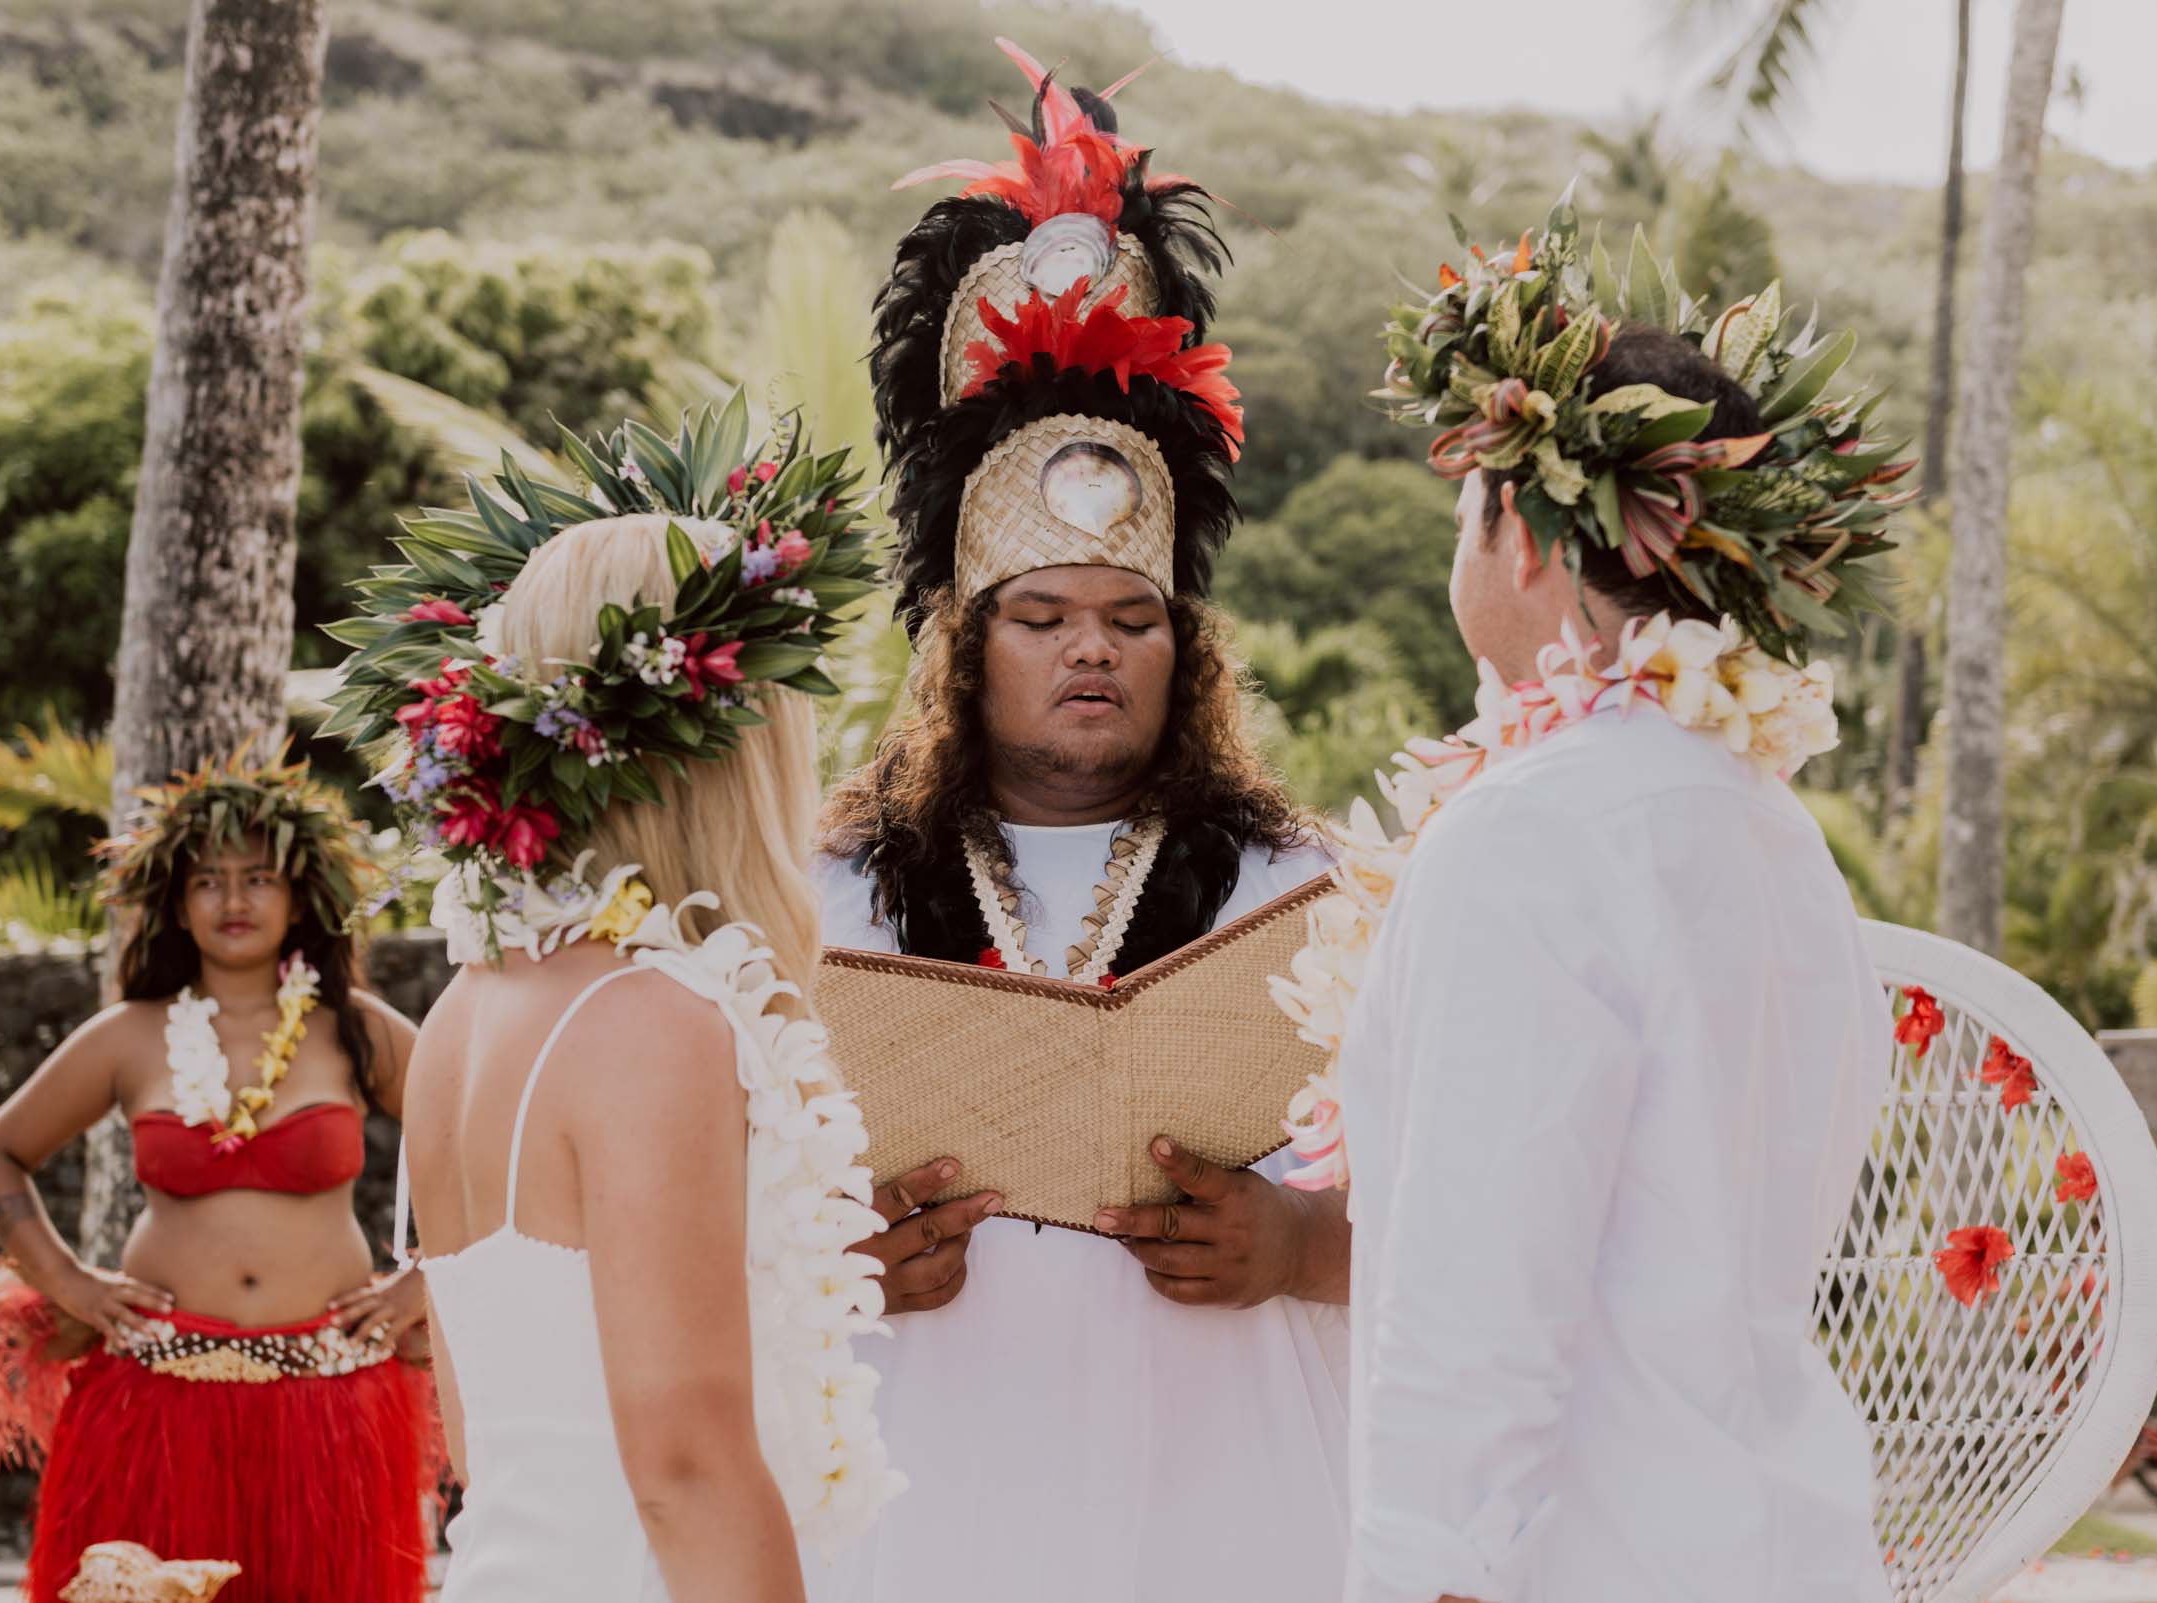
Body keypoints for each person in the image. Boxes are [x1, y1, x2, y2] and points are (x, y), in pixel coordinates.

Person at [809, 42, 1353, 1602]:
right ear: (966, 645)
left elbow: (1460, 1217)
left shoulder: (1302, 892)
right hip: (922, 1506)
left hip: (1224, 1500)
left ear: (1190, 647)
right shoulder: (830, 890)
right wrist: (832, 1250)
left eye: (1132, 613)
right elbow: (710, 1198)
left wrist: (1298, 1247)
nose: (1094, 648)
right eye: (1041, 614)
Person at [1311, 201, 1910, 1602]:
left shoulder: (1527, 832)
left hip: (1598, 1558)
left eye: (1466, 506)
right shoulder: (1770, 823)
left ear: (1520, 534)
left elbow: (1476, 1309)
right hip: (1780, 1537)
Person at [324, 401, 904, 1602]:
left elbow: (479, 1435)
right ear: (726, 744)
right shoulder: (650, 1024)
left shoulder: (465, 1013)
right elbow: (683, 1466)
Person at [0, 754, 433, 1603]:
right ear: (179, 903)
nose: (235, 900)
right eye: (209, 880)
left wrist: (422, 1283)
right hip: (156, 1399)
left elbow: (485, 1146)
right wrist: (65, 1281)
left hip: (328, 1405)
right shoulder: (128, 1036)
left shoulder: (355, 1030)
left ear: (300, 896)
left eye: (258, 877)